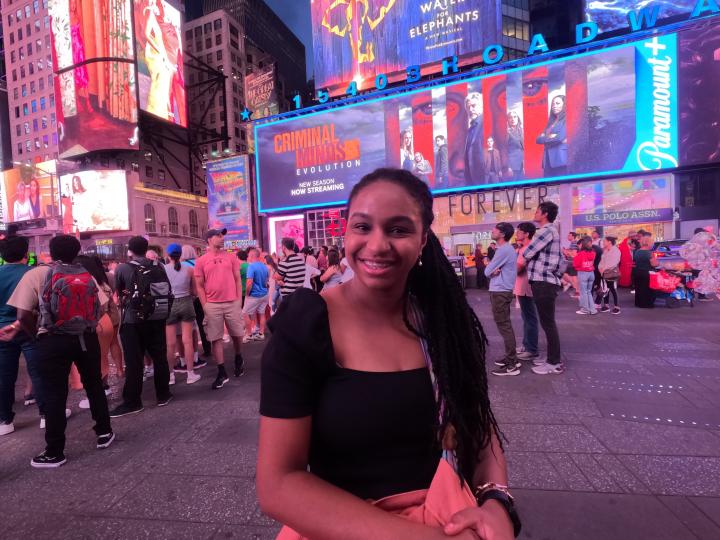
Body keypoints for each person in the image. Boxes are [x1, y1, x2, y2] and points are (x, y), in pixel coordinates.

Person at [257, 168, 517, 539]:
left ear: (423, 239)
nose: (378, 245)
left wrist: (496, 501)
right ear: (345, 232)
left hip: (448, 518)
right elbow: (278, 484)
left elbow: (477, 422)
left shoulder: (442, 321)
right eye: (363, 227)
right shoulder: (306, 324)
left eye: (398, 229)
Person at [8, 235, 114, 467]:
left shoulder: (36, 274)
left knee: (55, 393)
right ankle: (104, 432)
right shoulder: (85, 274)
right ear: (76, 251)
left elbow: (22, 314)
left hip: (53, 339)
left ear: (50, 252)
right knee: (94, 384)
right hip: (86, 338)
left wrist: (35, 334)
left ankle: (55, 451)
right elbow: (103, 305)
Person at [110, 236, 173, 417]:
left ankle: (133, 401)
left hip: (133, 320)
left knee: (134, 361)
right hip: (156, 316)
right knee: (159, 356)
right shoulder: (158, 266)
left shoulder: (123, 268)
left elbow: (119, 294)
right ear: (146, 249)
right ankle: (163, 394)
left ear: (130, 250)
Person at [0, 236, 45, 436]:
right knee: (39, 372)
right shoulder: (33, 273)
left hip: (2, 331)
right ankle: (46, 415)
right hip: (29, 328)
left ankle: (4, 420)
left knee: (4, 377)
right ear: (26, 254)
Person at [194, 228, 245, 388]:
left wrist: (238, 300)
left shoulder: (231, 257)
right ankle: (221, 372)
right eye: (218, 235)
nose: (222, 238)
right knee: (215, 338)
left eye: (223, 235)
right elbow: (199, 286)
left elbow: (237, 280)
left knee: (237, 334)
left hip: (232, 302)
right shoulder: (201, 260)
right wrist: (205, 305)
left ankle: (238, 357)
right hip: (212, 305)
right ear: (209, 239)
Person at [520, 201, 564, 375]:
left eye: (538, 211)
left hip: (543, 281)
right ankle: (551, 359)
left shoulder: (545, 231)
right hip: (546, 281)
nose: (535, 213)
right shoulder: (553, 231)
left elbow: (526, 252)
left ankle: (554, 362)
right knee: (548, 322)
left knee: (548, 323)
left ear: (545, 213)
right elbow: (561, 260)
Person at [485, 223, 520, 376]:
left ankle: (512, 364)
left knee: (504, 325)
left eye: (495, 229)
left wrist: (492, 270)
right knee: (505, 324)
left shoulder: (504, 250)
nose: (492, 231)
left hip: (500, 291)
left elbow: (487, 271)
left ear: (503, 234)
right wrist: (493, 271)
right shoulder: (506, 249)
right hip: (502, 290)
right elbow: (491, 271)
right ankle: (511, 358)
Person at [164, 243, 200, 385]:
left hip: (170, 304)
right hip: (186, 303)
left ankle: (171, 376)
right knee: (188, 341)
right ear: (180, 255)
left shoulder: (163, 269)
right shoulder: (189, 269)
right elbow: (195, 292)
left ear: (168, 255)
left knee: (170, 343)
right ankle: (190, 374)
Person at [514, 222, 540, 363]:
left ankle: (532, 349)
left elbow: (518, 268)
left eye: (519, 231)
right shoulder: (522, 248)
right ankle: (527, 345)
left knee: (530, 319)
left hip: (526, 287)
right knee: (526, 318)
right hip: (522, 287)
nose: (516, 233)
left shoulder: (528, 249)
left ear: (527, 234)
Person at [536, 95, 567, 177]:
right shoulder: (551, 122)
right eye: (553, 104)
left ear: (564, 105)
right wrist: (551, 137)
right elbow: (538, 139)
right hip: (547, 161)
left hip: (560, 159)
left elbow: (559, 138)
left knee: (562, 187)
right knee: (549, 187)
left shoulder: (566, 119)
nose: (554, 106)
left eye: (557, 103)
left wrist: (545, 138)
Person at [243, 248, 270, 342]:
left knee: (245, 313)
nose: (248, 257)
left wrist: (247, 294)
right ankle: (261, 333)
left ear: (251, 256)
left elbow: (249, 282)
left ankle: (249, 334)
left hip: (254, 295)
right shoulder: (265, 266)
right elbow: (267, 281)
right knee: (261, 313)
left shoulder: (251, 267)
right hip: (264, 294)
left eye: (249, 255)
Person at [464, 92, 486, 185]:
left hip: (486, 180)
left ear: (481, 106)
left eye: (473, 106)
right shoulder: (471, 128)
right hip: (472, 182)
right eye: (468, 107)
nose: (470, 109)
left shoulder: (486, 124)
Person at [596, 236, 621, 314]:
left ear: (609, 242)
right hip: (603, 272)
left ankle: (617, 307)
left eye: (604, 241)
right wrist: (600, 268)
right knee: (605, 289)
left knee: (613, 289)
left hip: (611, 272)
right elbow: (602, 261)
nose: (603, 243)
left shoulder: (616, 250)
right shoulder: (605, 250)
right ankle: (606, 305)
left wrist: (603, 269)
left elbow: (614, 263)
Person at [633, 233, 658, 309]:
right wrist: (657, 262)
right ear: (649, 243)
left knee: (639, 289)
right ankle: (647, 304)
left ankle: (639, 303)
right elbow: (654, 264)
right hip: (647, 273)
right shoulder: (649, 253)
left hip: (637, 272)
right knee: (647, 289)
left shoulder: (637, 251)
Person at [573, 236, 597, 315]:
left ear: (583, 244)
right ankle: (592, 310)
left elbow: (576, 265)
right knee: (589, 292)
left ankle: (585, 310)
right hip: (591, 273)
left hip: (583, 273)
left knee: (583, 292)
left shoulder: (580, 254)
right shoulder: (593, 252)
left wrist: (574, 257)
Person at [505, 110, 524, 180]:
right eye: (510, 117)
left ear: (518, 118)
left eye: (514, 117)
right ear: (508, 120)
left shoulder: (522, 130)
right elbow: (505, 150)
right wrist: (508, 166)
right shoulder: (506, 132)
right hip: (512, 165)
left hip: (523, 164)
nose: (513, 119)